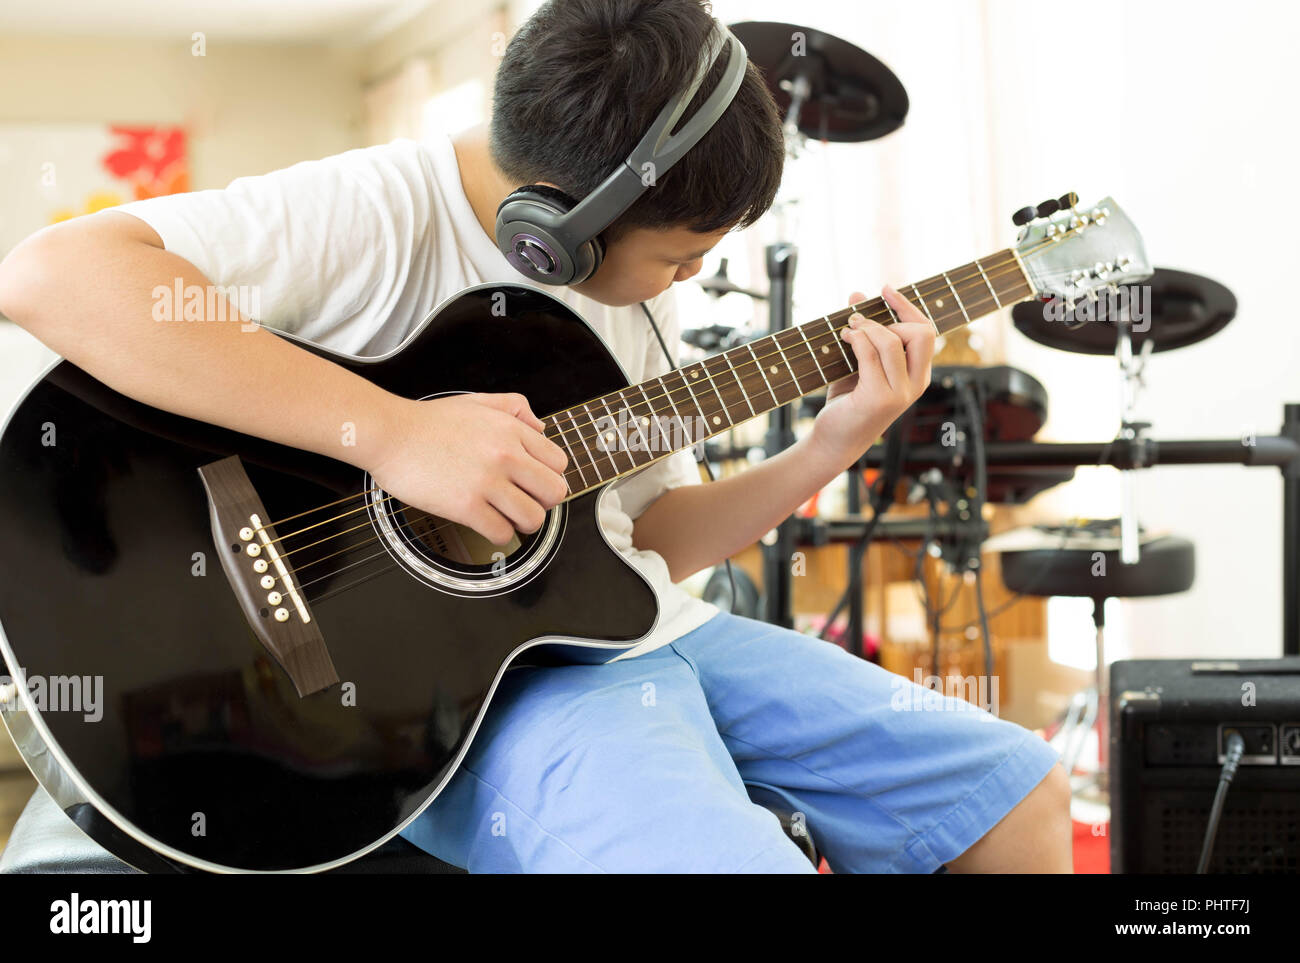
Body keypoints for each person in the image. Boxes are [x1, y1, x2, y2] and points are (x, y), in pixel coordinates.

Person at [0, 0, 1070, 873]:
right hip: (455, 682)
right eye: (680, 255)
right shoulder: (378, 207)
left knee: (1012, 791)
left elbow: (646, 541)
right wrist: (389, 435)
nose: (690, 278)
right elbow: (50, 275)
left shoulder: (629, 314)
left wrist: (831, 444)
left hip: (643, 626)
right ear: (554, 230)